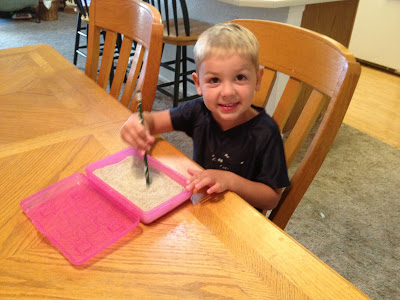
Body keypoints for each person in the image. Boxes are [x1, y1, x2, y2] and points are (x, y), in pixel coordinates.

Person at [120, 22, 290, 211]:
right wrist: (139, 121)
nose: (227, 92)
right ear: (198, 83)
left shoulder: (267, 132)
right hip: (200, 205)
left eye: (240, 77)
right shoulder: (198, 111)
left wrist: (230, 181)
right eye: (214, 80)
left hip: (241, 221)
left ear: (257, 79)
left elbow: (272, 199)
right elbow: (154, 121)